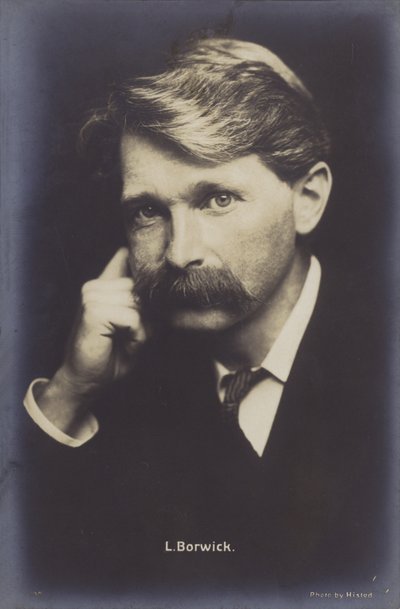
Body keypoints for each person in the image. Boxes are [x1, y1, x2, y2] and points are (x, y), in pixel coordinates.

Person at [23, 37, 385, 596]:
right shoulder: (125, 383)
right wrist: (70, 392)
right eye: (148, 211)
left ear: (307, 199)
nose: (178, 253)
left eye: (217, 199)